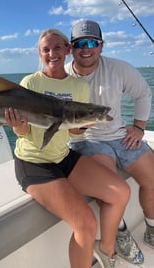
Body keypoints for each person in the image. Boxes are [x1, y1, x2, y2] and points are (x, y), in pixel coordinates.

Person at [5, 28, 130, 268]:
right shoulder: (31, 83)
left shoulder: (79, 86)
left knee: (121, 192)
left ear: (68, 50)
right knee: (86, 223)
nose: (52, 53)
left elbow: (72, 131)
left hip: (63, 156)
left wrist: (82, 126)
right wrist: (18, 127)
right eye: (46, 49)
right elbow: (23, 133)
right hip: (34, 163)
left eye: (57, 47)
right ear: (40, 54)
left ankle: (106, 251)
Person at [65, 19, 154, 265]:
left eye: (92, 42)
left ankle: (152, 230)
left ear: (101, 46)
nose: (86, 48)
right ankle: (120, 236)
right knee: (111, 188)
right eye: (79, 43)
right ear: (71, 48)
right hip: (86, 139)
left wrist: (138, 127)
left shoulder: (119, 68)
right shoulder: (63, 79)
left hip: (119, 134)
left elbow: (143, 93)